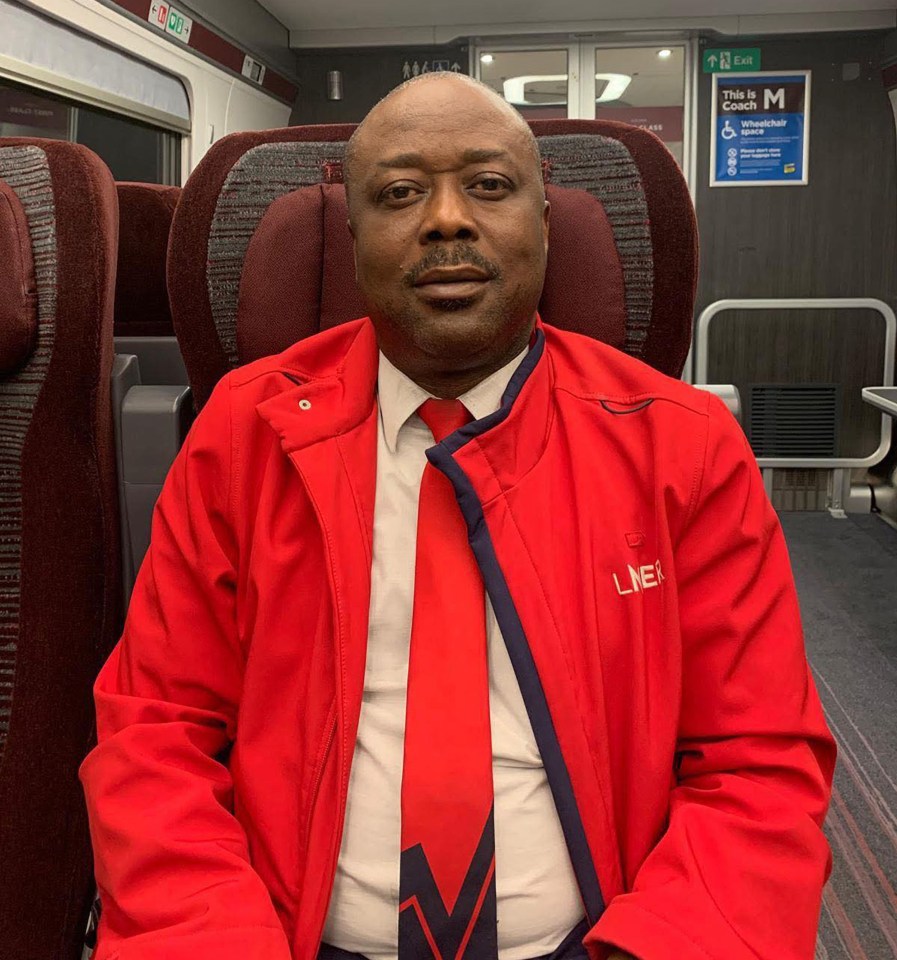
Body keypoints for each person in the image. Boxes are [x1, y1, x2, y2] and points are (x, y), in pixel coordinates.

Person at [80, 73, 836, 960]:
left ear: (544, 225)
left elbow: (757, 767)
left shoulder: (682, 445)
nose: (445, 220)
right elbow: (155, 738)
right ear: (354, 237)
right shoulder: (243, 435)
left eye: (488, 185)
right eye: (400, 194)